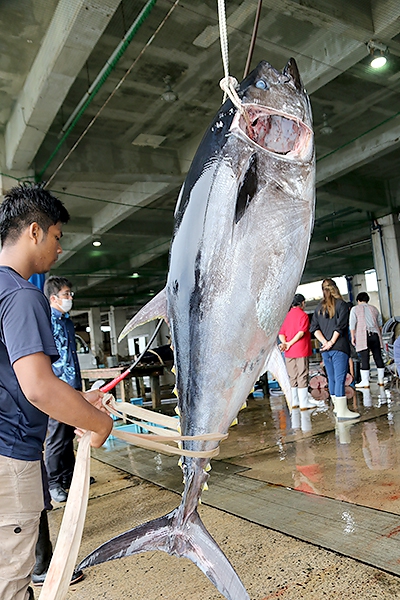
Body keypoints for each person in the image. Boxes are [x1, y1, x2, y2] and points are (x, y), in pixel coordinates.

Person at [0, 183, 113, 600]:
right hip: (10, 458)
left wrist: (80, 401)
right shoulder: (21, 294)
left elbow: (11, 381)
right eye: (57, 237)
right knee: (11, 583)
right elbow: (37, 388)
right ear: (34, 231)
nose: (59, 249)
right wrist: (100, 422)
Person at [43, 276, 83, 503]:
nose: (70, 298)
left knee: (69, 434)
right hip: (58, 388)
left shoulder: (66, 321)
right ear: (53, 298)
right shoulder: (46, 321)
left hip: (73, 386)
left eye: (70, 294)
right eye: (66, 294)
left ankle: (69, 476)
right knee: (57, 436)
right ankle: (53, 482)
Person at [310, 279, 359, 421]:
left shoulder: (319, 307)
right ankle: (343, 411)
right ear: (335, 288)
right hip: (339, 347)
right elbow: (341, 326)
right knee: (340, 378)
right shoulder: (342, 305)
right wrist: (331, 341)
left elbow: (314, 329)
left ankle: (337, 408)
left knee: (331, 378)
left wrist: (325, 343)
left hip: (325, 350)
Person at [278, 293, 314, 411]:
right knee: (302, 375)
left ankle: (295, 402)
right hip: (300, 349)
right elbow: (301, 333)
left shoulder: (285, 316)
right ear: (302, 303)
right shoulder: (303, 315)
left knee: (292, 376)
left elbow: (281, 333)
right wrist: (290, 343)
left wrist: (286, 344)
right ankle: (304, 403)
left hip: (289, 352)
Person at [349, 291, 384, 388]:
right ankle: (381, 380)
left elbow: (352, 324)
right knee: (378, 357)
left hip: (363, 335)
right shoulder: (374, 309)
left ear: (358, 300)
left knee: (364, 358)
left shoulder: (355, 309)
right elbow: (380, 325)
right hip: (375, 335)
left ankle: (365, 381)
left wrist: (353, 337)